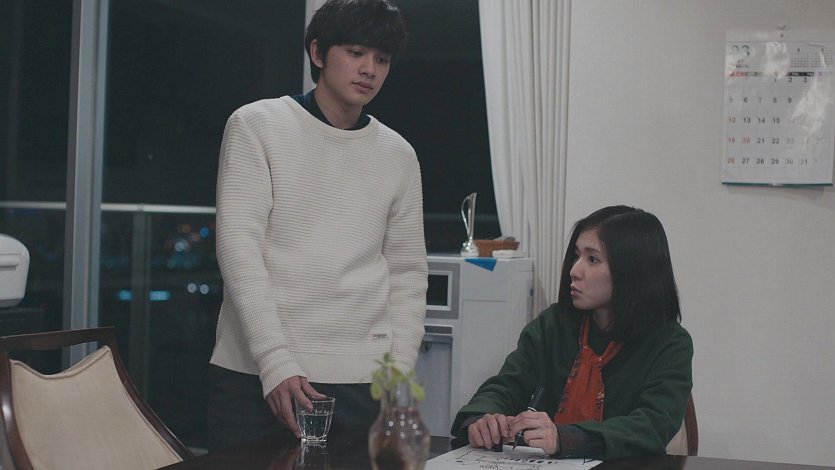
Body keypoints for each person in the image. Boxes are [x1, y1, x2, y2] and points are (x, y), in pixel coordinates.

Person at [207, 0, 427, 451]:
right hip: (256, 373)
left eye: (382, 59)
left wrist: (399, 372)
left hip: (364, 382)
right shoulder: (256, 125)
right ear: (318, 52)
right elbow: (239, 249)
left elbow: (407, 272)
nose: (369, 69)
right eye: (356, 52)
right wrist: (274, 360)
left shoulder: (399, 154)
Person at [451, 206, 693, 460]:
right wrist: (482, 418)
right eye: (577, 256)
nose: (574, 271)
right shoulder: (554, 324)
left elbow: (652, 427)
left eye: (592, 259)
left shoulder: (670, 343)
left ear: (632, 270)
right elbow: (506, 386)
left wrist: (564, 437)